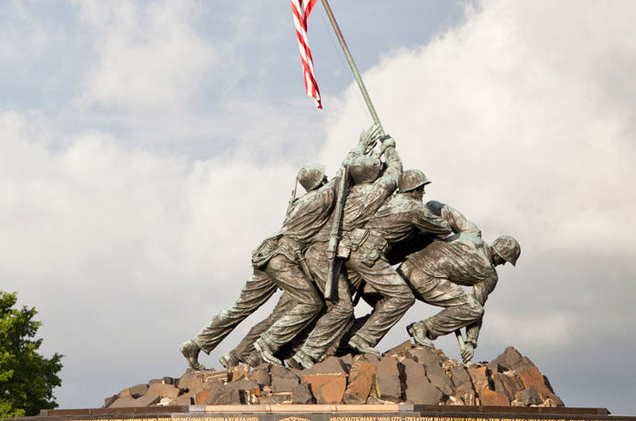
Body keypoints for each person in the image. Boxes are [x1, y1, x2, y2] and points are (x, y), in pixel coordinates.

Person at [180, 162, 336, 369]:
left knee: (240, 307)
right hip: (284, 259)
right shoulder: (320, 197)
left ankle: (196, 343)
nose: (327, 179)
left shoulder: (299, 202)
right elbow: (342, 179)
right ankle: (267, 343)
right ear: (318, 182)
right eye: (323, 178)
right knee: (312, 303)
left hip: (268, 254)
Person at [290, 134, 404, 366]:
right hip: (325, 254)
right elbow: (396, 171)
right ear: (373, 176)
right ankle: (305, 354)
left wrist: (361, 149)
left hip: (327, 252)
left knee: (337, 307)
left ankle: (308, 351)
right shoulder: (375, 192)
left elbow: (346, 167)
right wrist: (390, 149)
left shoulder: (343, 190)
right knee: (342, 308)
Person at [340, 168, 455, 355]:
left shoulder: (391, 200)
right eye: (421, 189)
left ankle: (345, 337)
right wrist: (443, 216)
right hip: (370, 254)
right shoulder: (413, 207)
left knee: (375, 300)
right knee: (403, 297)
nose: (423, 193)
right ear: (413, 189)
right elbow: (443, 229)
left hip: (352, 249)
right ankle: (362, 338)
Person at [399, 200, 520, 363]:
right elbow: (476, 309)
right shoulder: (489, 274)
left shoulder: (471, 232)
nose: (503, 264)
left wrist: (424, 225)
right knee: (473, 309)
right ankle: (423, 327)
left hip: (405, 268)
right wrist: (471, 342)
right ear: (500, 256)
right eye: (504, 260)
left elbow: (438, 207)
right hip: (424, 280)